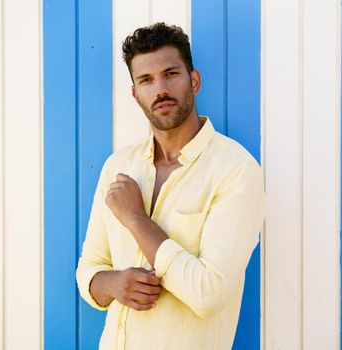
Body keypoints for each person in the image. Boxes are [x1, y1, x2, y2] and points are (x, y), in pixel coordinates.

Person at [76, 22, 266, 350]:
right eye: (146, 80)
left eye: (171, 74)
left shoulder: (235, 170)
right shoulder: (118, 167)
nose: (160, 89)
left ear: (194, 81)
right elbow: (88, 270)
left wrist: (136, 220)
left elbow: (209, 294)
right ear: (135, 95)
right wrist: (114, 284)